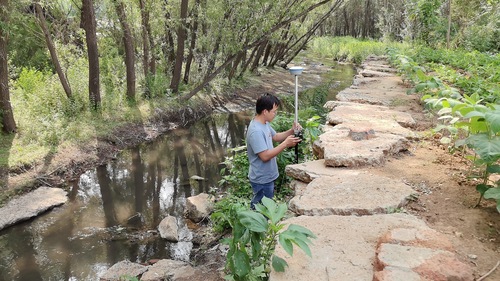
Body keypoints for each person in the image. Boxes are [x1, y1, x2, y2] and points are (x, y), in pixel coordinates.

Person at [246, 93, 301, 209]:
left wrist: (291, 131)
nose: (275, 114)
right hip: (261, 179)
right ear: (265, 111)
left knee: (266, 206)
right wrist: (285, 144)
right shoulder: (256, 131)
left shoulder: (264, 124)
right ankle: (256, 226)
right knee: (261, 210)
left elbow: (275, 137)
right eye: (274, 111)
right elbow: (265, 156)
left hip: (268, 176)